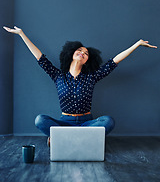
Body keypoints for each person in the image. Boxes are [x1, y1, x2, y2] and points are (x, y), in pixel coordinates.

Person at [3, 26, 157, 146]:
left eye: (86, 53)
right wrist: (22, 34)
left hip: (87, 123)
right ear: (71, 53)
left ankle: (64, 140)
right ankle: (82, 140)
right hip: (64, 122)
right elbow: (39, 57)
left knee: (108, 121)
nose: (82, 53)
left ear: (87, 60)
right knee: (40, 120)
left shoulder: (92, 76)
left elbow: (114, 62)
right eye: (79, 50)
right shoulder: (57, 75)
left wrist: (137, 44)